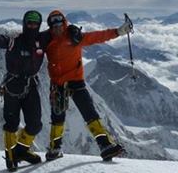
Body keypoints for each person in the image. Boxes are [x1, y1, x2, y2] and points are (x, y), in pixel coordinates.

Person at [43, 10, 133, 161]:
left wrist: (118, 32)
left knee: (89, 112)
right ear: (50, 27)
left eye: (59, 24)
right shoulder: (46, 39)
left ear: (64, 23)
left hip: (74, 80)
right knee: (58, 116)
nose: (57, 27)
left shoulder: (74, 37)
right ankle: (55, 148)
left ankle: (105, 145)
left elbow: (96, 37)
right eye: (54, 25)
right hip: (58, 82)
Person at [0, 10, 51, 172]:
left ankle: (20, 151)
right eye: (29, 23)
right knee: (11, 123)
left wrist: (71, 31)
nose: (32, 26)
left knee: (35, 124)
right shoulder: (14, 40)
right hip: (13, 85)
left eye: (35, 23)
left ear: (39, 25)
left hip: (31, 85)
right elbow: (1, 41)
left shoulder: (42, 39)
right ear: (24, 23)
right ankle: (11, 156)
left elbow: (58, 32)